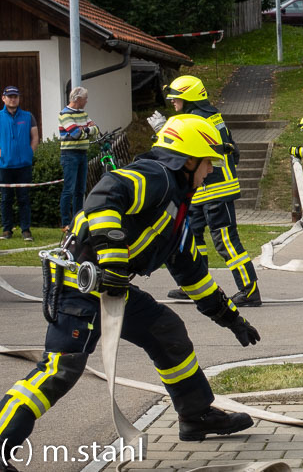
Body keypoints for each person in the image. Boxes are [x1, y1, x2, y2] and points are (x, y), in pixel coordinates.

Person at [0, 115, 259, 468]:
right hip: (81, 285)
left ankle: (196, 415)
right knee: (60, 370)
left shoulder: (177, 208)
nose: (211, 170)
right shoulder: (158, 176)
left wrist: (232, 319)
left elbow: (193, 276)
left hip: (110, 288)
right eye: (209, 160)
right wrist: (113, 260)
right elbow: (105, 195)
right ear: (188, 159)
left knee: (167, 331)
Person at [163, 76, 260, 307]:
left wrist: (163, 132)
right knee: (193, 239)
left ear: (189, 98)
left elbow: (186, 152)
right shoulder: (209, 117)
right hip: (201, 191)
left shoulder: (197, 120)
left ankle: (250, 290)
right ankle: (195, 285)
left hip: (216, 190)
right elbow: (233, 152)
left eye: (176, 99)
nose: (173, 103)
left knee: (225, 242)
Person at [58, 86, 100, 233]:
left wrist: (85, 131)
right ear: (78, 99)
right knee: (68, 189)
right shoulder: (64, 114)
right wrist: (87, 130)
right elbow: (75, 133)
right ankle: (65, 222)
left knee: (80, 190)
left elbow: (96, 130)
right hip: (69, 154)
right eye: (85, 98)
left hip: (82, 153)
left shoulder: (83, 113)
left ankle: (77, 220)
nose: (87, 101)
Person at [0, 85, 37, 241]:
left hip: (23, 166)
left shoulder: (28, 116)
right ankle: (7, 230)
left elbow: (35, 137)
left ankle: (26, 230)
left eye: (15, 96)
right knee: (5, 199)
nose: (13, 99)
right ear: (4, 98)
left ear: (19, 98)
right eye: (10, 96)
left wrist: (30, 153)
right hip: (4, 166)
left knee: (24, 198)